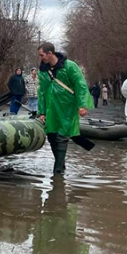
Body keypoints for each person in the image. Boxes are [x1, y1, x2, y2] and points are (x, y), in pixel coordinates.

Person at [37, 42, 92, 175]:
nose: (41, 58)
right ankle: (61, 164)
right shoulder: (43, 71)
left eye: (42, 55)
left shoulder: (70, 66)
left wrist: (82, 105)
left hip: (68, 107)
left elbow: (80, 85)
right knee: (52, 136)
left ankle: (58, 171)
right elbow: (42, 92)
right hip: (51, 108)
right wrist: (42, 112)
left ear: (50, 53)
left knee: (63, 136)